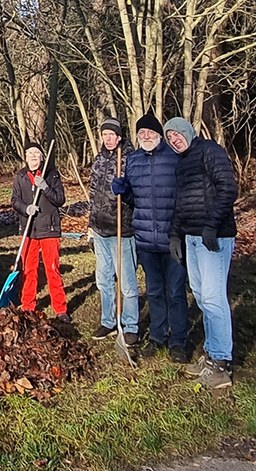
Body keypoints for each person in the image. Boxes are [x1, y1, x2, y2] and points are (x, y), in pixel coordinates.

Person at [164, 117, 238, 389]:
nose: (174, 139)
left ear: (187, 132)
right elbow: (180, 204)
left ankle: (221, 363)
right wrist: (175, 234)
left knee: (213, 297)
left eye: (176, 134)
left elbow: (228, 188)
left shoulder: (209, 151)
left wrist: (212, 225)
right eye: (169, 137)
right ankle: (210, 353)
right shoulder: (181, 164)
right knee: (201, 295)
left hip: (214, 238)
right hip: (192, 238)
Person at [112, 111, 188, 362]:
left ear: (159, 135)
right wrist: (123, 191)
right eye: (141, 133)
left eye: (150, 132)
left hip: (173, 238)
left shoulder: (174, 157)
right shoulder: (133, 160)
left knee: (175, 291)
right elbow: (133, 200)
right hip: (145, 239)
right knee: (154, 291)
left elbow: (185, 194)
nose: (146, 136)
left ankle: (178, 341)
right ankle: (157, 336)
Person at [88, 117, 140, 345]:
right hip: (100, 229)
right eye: (105, 135)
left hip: (122, 229)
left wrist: (127, 191)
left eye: (112, 135)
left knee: (127, 282)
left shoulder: (130, 159)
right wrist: (90, 226)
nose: (108, 139)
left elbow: (137, 194)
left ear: (119, 136)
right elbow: (93, 194)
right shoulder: (99, 159)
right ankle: (108, 321)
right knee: (104, 279)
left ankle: (131, 325)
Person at [11, 142, 70, 322]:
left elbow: (60, 199)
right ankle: (28, 306)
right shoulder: (20, 177)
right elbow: (15, 200)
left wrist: (45, 187)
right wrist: (25, 208)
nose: (33, 157)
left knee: (52, 269)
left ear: (42, 157)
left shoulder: (51, 175)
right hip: (29, 229)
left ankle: (60, 309)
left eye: (36, 153)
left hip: (49, 228)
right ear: (25, 157)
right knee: (29, 270)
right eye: (30, 153)